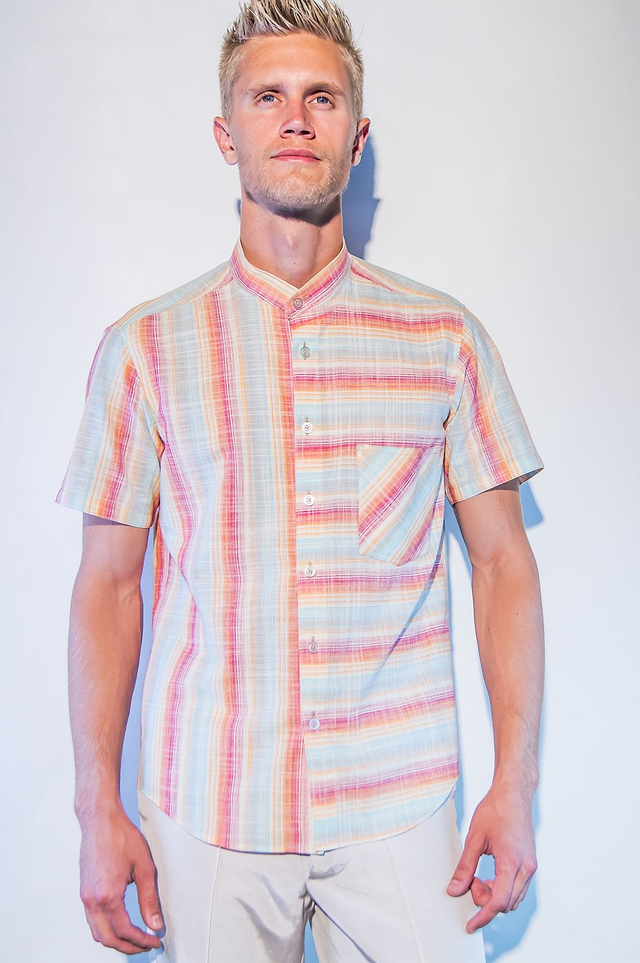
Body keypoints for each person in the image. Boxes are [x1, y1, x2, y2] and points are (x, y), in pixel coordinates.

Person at [54, 0, 545, 959]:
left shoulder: (445, 339)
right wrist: (95, 807)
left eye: (321, 98)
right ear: (225, 134)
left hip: (401, 805)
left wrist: (515, 785)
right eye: (266, 96)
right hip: (212, 808)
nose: (294, 119)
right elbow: (107, 586)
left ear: (356, 139)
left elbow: (503, 565)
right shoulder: (145, 349)